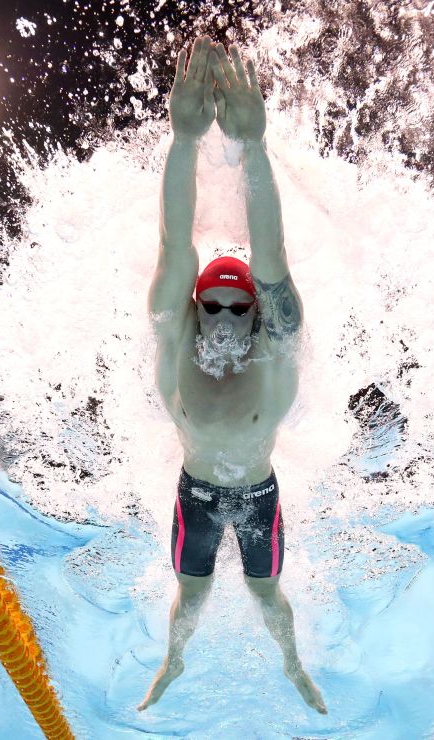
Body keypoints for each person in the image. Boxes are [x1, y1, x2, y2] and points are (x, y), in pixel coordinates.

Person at [139, 37, 325, 714]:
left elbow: (270, 256)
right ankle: (173, 662)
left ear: (256, 310)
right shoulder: (174, 334)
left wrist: (255, 149)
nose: (220, 315)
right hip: (195, 492)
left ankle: (294, 666)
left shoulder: (276, 350)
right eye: (210, 303)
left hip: (257, 496)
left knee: (265, 591)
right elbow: (173, 245)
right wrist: (184, 140)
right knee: (191, 593)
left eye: (236, 305)